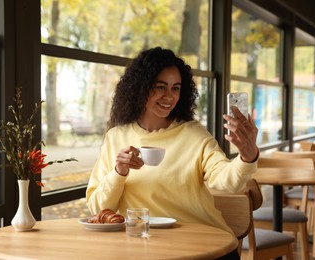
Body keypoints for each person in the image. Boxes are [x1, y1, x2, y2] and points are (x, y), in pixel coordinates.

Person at [86, 47, 258, 258]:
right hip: (142, 249)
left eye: (175, 88)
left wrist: (246, 157)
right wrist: (118, 172)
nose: (169, 96)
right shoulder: (116, 137)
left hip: (204, 248)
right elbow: (98, 209)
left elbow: (227, 182)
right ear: (140, 88)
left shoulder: (194, 134)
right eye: (160, 87)